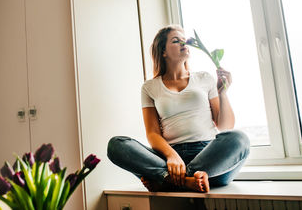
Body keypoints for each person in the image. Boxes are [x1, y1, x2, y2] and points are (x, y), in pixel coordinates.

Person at [107, 25, 250, 192]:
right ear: (163, 52)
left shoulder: (204, 78)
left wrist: (223, 94)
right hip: (169, 157)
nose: (184, 43)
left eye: (185, 40)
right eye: (176, 41)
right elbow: (153, 133)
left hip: (208, 159)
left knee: (239, 138)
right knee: (116, 145)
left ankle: (167, 180)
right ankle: (185, 180)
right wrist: (172, 156)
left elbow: (225, 126)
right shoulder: (150, 87)